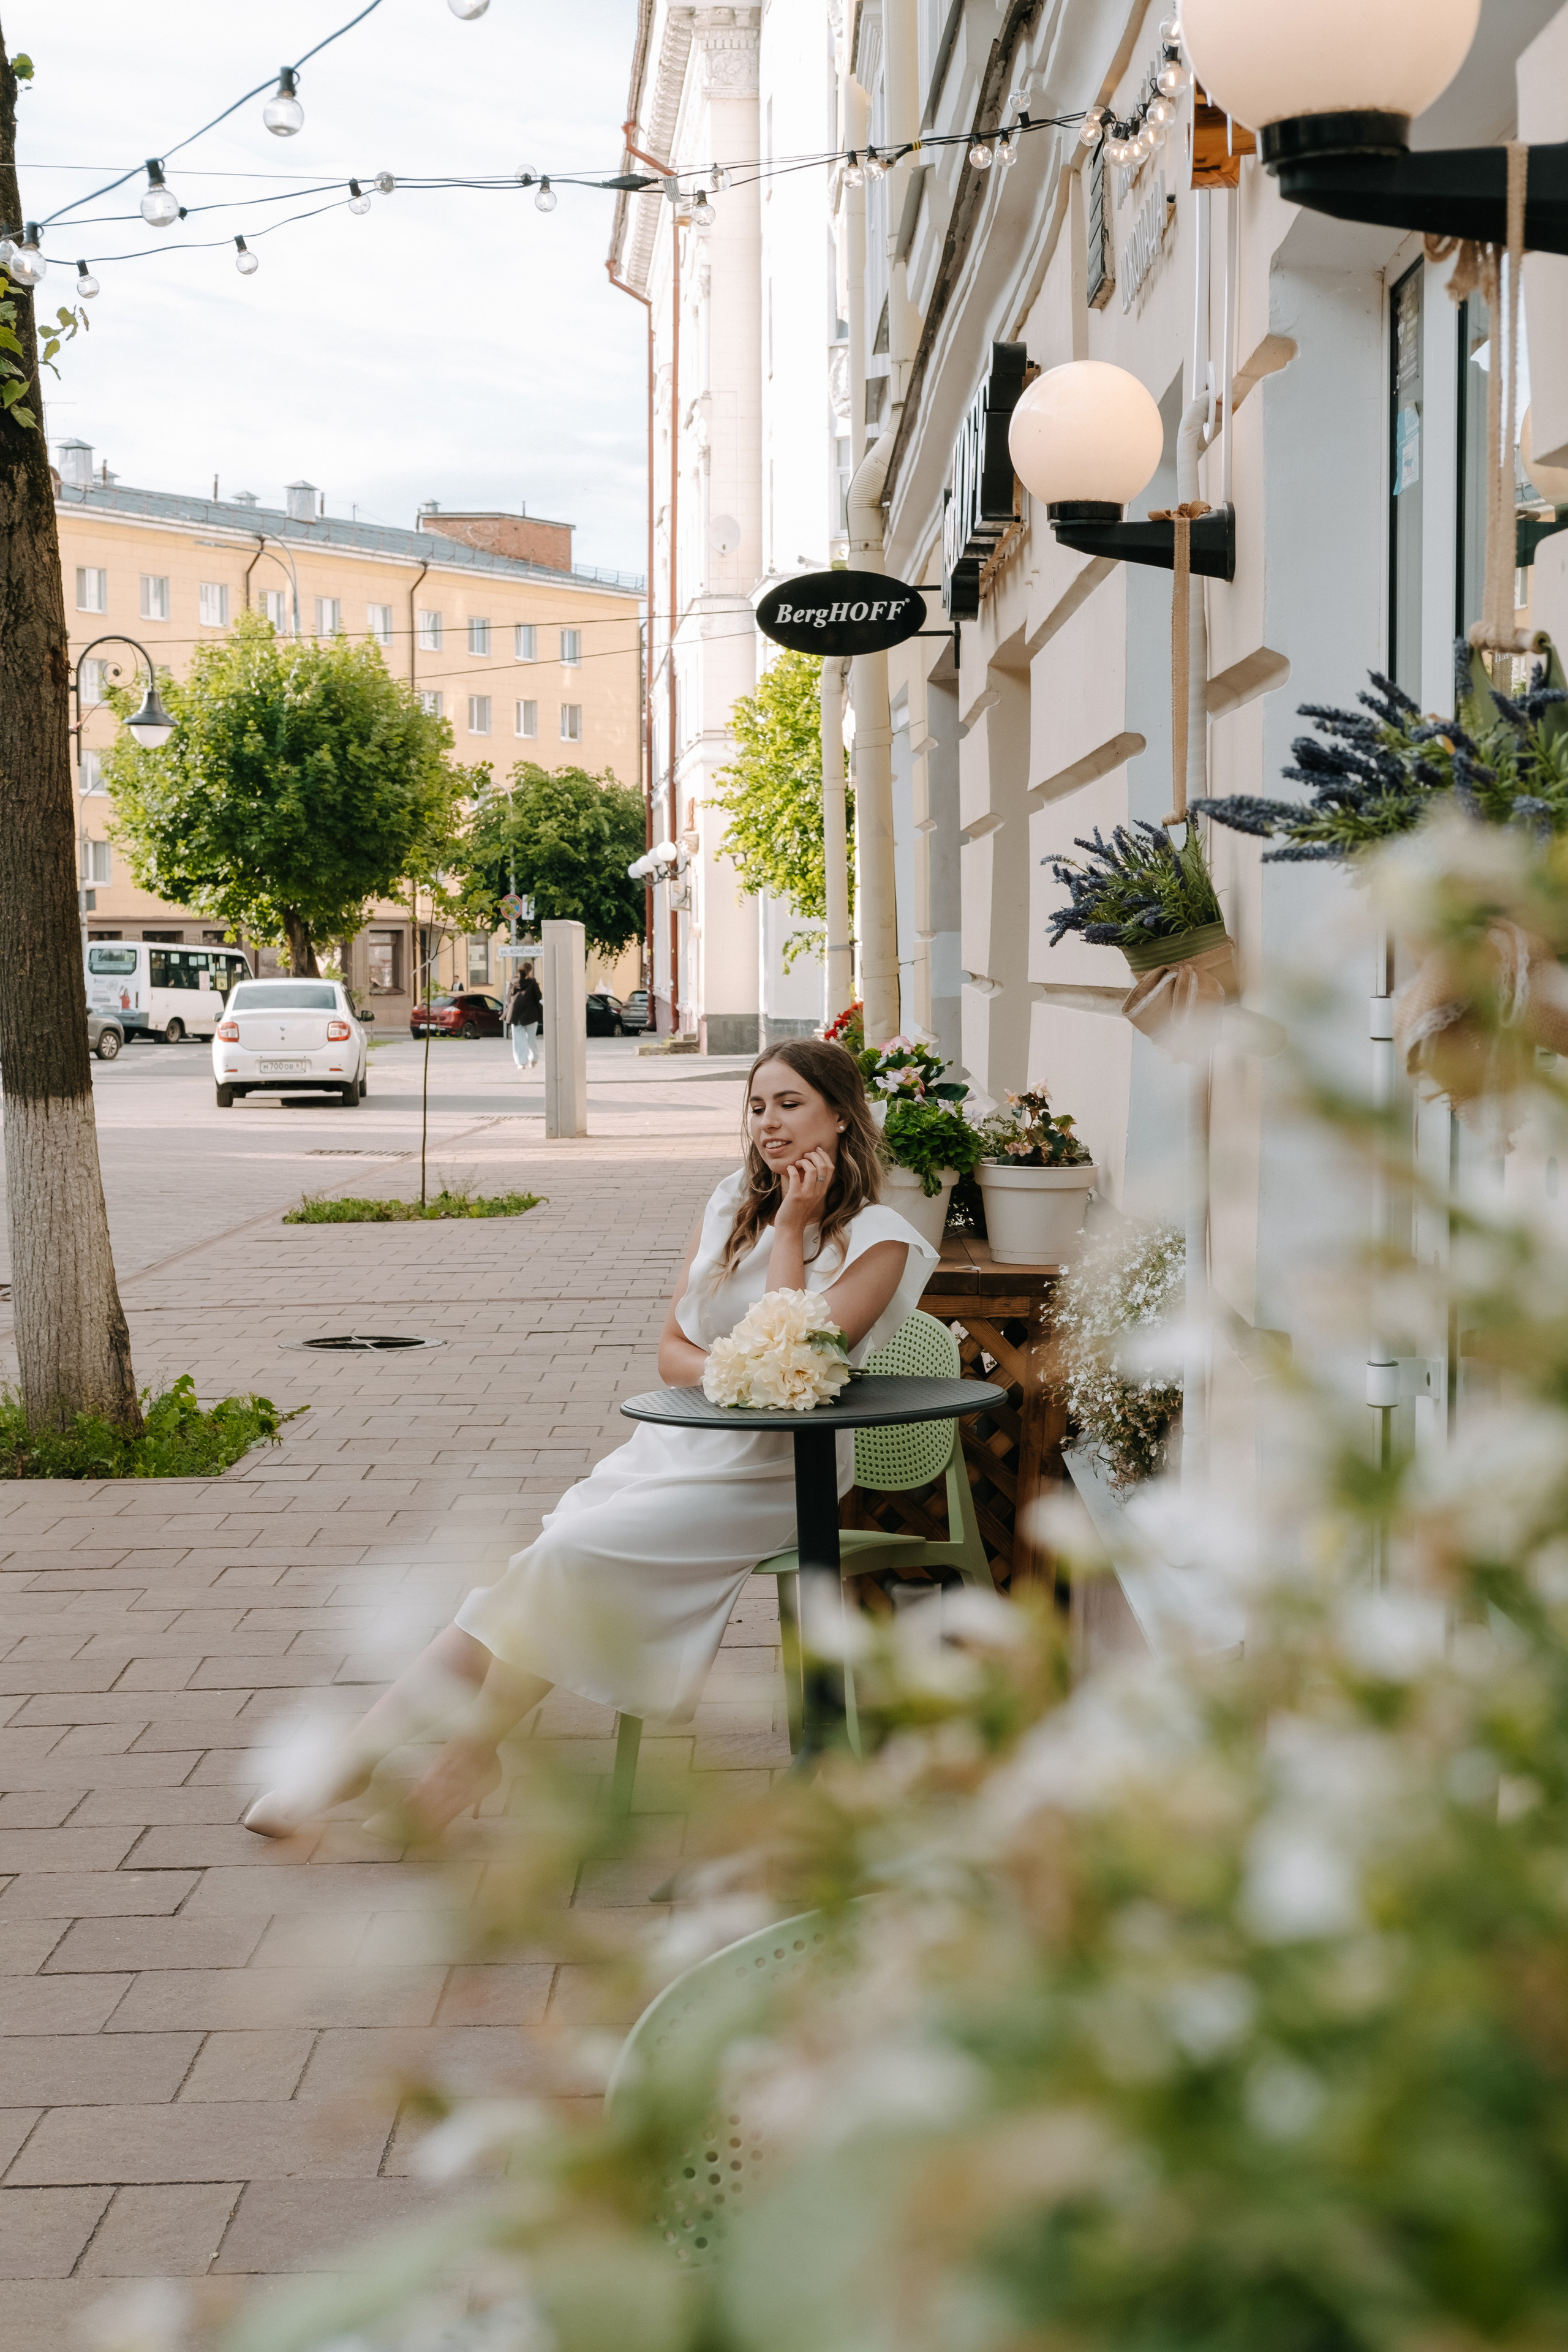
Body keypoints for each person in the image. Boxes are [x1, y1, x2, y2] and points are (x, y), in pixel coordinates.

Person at [243, 1038, 938, 1839]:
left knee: (564, 1559)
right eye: (756, 1107)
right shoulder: (727, 1206)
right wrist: (734, 1369)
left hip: (779, 1475)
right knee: (546, 1564)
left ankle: (417, 1758)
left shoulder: (884, 1240)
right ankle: (407, 1755)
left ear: (842, 1118)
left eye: (790, 1105)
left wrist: (793, 1232)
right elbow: (671, 1349)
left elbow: (798, 1361)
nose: (768, 1125)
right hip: (679, 1449)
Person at [503, 960, 541, 1068]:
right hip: (531, 1015)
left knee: (518, 1041)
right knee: (531, 1039)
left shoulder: (513, 982)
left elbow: (508, 998)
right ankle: (533, 1059)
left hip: (516, 1015)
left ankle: (521, 1063)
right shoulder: (533, 982)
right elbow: (539, 997)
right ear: (530, 971)